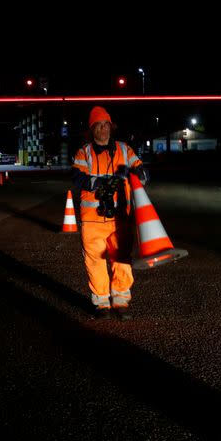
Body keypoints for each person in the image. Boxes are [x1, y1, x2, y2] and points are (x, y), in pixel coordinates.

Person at [71, 106, 149, 320]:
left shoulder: (125, 149)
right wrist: (100, 183)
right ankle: (102, 303)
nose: (103, 129)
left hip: (120, 218)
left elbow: (140, 169)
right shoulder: (83, 152)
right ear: (92, 129)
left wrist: (140, 173)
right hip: (92, 219)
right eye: (99, 125)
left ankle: (121, 301)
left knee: (122, 259)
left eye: (106, 125)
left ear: (111, 127)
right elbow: (77, 177)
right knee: (94, 261)